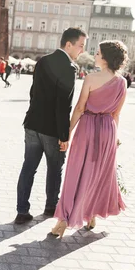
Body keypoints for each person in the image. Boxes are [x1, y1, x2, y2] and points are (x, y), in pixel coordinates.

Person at [51, 41, 128, 237]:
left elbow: (79, 108)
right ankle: (91, 214)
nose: (95, 55)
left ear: (106, 57)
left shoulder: (91, 78)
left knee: (76, 173)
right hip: (108, 131)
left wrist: (67, 132)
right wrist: (114, 137)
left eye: (99, 53)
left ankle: (64, 221)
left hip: (88, 128)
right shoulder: (122, 82)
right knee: (99, 175)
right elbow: (116, 114)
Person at [15, 27, 87, 224]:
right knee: (54, 169)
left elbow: (33, 93)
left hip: (32, 124)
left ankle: (22, 211)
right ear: (69, 44)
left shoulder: (43, 61)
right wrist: (64, 136)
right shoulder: (69, 68)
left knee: (28, 167)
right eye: (80, 46)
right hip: (52, 130)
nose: (82, 50)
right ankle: (50, 206)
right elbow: (64, 105)